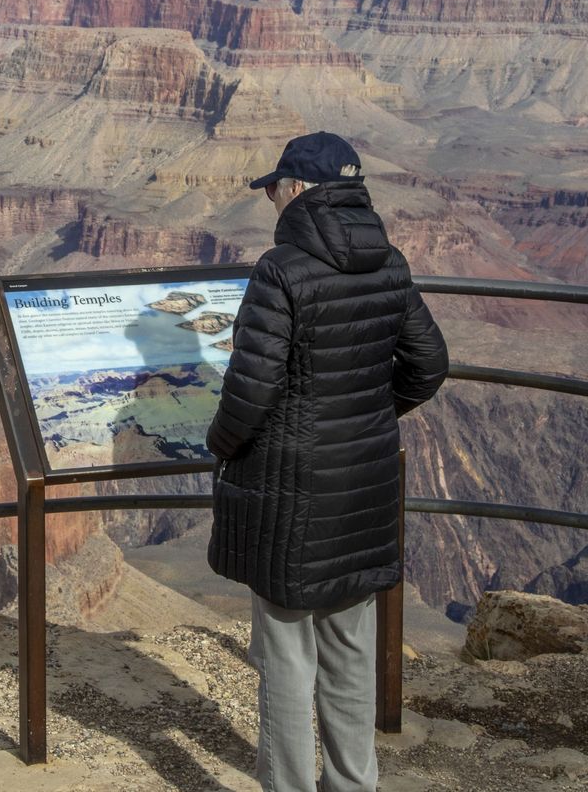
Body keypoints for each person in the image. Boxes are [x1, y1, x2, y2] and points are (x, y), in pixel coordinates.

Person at [206, 130, 448, 792]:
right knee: (350, 646)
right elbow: (429, 364)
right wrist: (366, 417)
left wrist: (221, 444)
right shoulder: (390, 263)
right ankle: (354, 783)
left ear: (299, 192)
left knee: (285, 652)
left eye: (276, 189)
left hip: (291, 491)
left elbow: (251, 390)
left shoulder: (281, 270)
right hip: (362, 485)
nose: (271, 203)